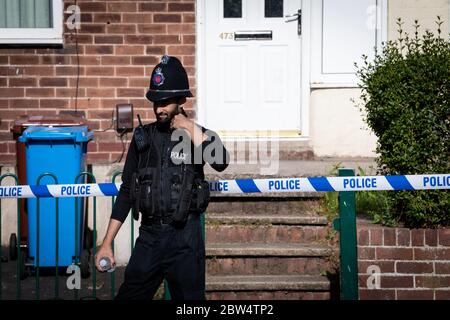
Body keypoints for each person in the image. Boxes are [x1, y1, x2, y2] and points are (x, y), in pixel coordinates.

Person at [95, 55, 229, 300]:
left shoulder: (198, 135)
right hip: (150, 237)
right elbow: (126, 192)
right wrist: (106, 243)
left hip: (185, 239)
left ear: (181, 100)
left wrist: (189, 127)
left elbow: (221, 161)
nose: (158, 108)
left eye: (165, 102)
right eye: (155, 102)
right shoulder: (142, 138)